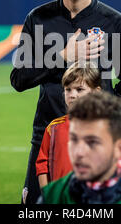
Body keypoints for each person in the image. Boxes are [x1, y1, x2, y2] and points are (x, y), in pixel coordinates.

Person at [10, 0, 121, 203]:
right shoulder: (38, 19)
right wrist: (62, 57)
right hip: (47, 136)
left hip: (96, 140)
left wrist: (100, 117)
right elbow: (19, 79)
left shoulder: (114, 23)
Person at [36, 61, 101, 189]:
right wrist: (48, 194)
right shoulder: (53, 128)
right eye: (68, 89)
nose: (72, 95)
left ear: (96, 92)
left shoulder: (104, 128)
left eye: (79, 89)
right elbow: (42, 165)